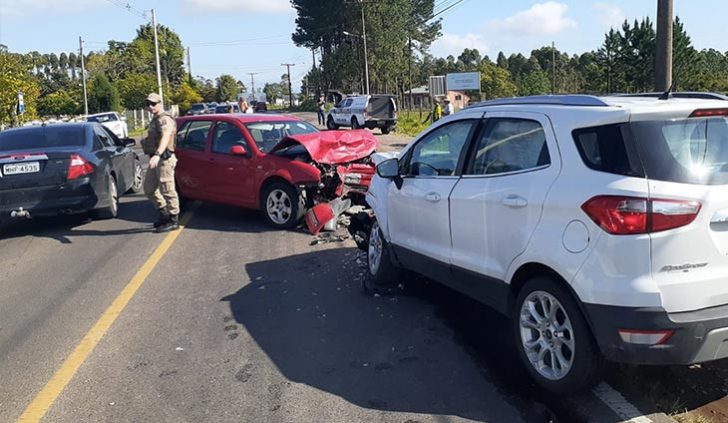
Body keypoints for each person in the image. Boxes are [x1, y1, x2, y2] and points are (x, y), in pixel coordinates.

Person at [141, 93, 180, 233]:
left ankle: (173, 218)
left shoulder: (165, 119)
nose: (151, 107)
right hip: (155, 159)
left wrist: (157, 154)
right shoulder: (155, 119)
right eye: (148, 104)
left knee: (168, 189)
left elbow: (165, 137)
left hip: (164, 159)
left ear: (160, 103)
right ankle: (163, 213)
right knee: (149, 189)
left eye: (153, 104)